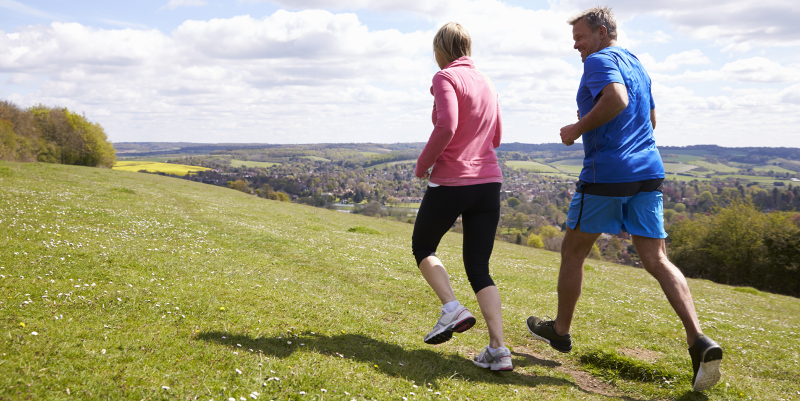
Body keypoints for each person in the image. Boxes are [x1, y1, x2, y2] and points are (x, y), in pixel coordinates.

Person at [524, 7, 723, 391]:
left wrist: (577, 128)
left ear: (601, 32)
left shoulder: (600, 60)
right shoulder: (637, 63)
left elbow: (615, 99)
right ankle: (698, 340)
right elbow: (649, 119)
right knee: (657, 258)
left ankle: (561, 331)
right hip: (648, 171)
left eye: (580, 37)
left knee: (573, 251)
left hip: (608, 174)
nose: (577, 46)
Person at [412, 22, 511, 371]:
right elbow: (496, 136)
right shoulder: (487, 81)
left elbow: (448, 126)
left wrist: (423, 165)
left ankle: (452, 308)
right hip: (488, 183)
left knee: (423, 246)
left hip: (454, 181)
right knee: (479, 267)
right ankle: (499, 350)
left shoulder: (445, 78)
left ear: (441, 49)